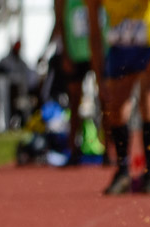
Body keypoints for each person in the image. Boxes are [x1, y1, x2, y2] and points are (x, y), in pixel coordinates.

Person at [87, 0, 150, 195]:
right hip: (121, 49)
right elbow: (94, 34)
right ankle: (123, 170)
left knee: (149, 105)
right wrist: (99, 75)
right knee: (116, 110)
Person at [52, 0, 98, 164]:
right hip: (75, 54)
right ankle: (73, 150)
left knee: (107, 100)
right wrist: (65, 53)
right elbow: (60, 23)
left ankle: (110, 151)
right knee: (74, 102)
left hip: (96, 52)